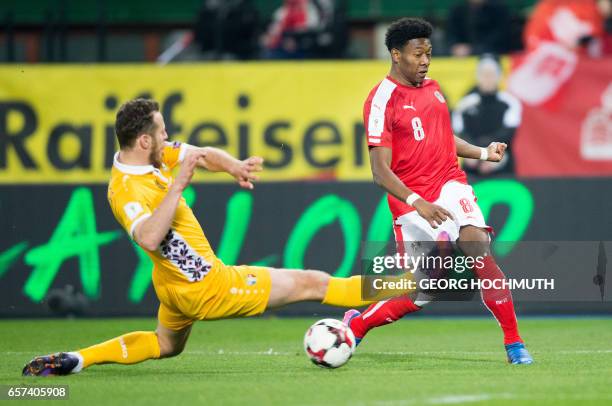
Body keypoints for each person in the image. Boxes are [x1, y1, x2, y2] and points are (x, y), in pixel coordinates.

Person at [22, 98, 371, 376]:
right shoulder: (126, 190)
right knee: (314, 283)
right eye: (162, 132)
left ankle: (76, 359)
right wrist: (178, 185)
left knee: (165, 344)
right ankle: (417, 284)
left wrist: (232, 165)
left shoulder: (148, 158)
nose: (167, 137)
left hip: (173, 287)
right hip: (209, 286)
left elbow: (200, 155)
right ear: (144, 140)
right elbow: (147, 237)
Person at [344, 18, 533, 364]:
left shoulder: (432, 88)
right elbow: (379, 171)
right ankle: (359, 325)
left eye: (429, 53)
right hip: (410, 199)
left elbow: (442, 138)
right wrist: (420, 204)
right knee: (423, 292)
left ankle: (514, 343)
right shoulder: (381, 100)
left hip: (449, 182)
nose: (425, 61)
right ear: (396, 54)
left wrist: (481, 153)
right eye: (418, 54)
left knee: (477, 244)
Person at [452, 55, 522, 176]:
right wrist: (473, 153)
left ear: (499, 76)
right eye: (484, 74)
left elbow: (508, 133)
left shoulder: (510, 102)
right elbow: (459, 131)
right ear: (478, 76)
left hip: (502, 163)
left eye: (492, 74)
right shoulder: (465, 103)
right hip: (471, 163)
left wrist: (492, 155)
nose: (488, 78)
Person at [446, 0, 512, 57]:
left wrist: (473, 49)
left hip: (492, 54)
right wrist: (456, 47)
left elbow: (500, 36)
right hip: (462, 54)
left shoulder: (499, 9)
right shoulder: (457, 9)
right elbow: (451, 34)